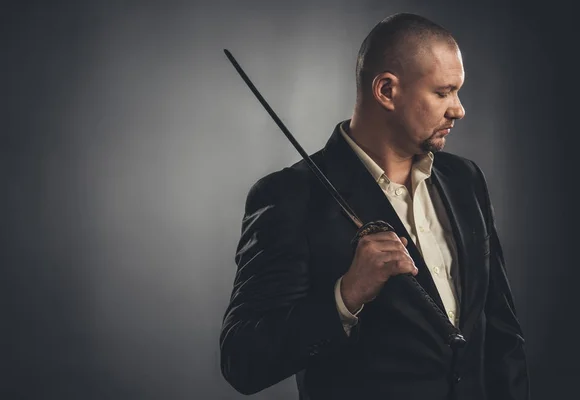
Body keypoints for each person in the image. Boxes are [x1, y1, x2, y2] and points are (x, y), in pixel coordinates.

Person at [219, 12, 529, 400]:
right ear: (386, 90)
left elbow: (502, 332)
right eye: (443, 92)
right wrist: (346, 295)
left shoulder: (465, 180)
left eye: (457, 91)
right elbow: (242, 361)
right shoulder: (290, 196)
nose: (459, 109)